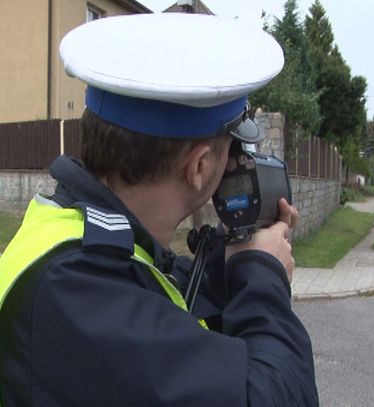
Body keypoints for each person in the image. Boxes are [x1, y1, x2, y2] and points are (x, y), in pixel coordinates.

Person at [0, 13, 318, 406]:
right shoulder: (74, 290)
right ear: (199, 167)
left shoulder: (84, 237)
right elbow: (277, 395)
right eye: (231, 146)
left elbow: (170, 308)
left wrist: (235, 259)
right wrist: (263, 275)